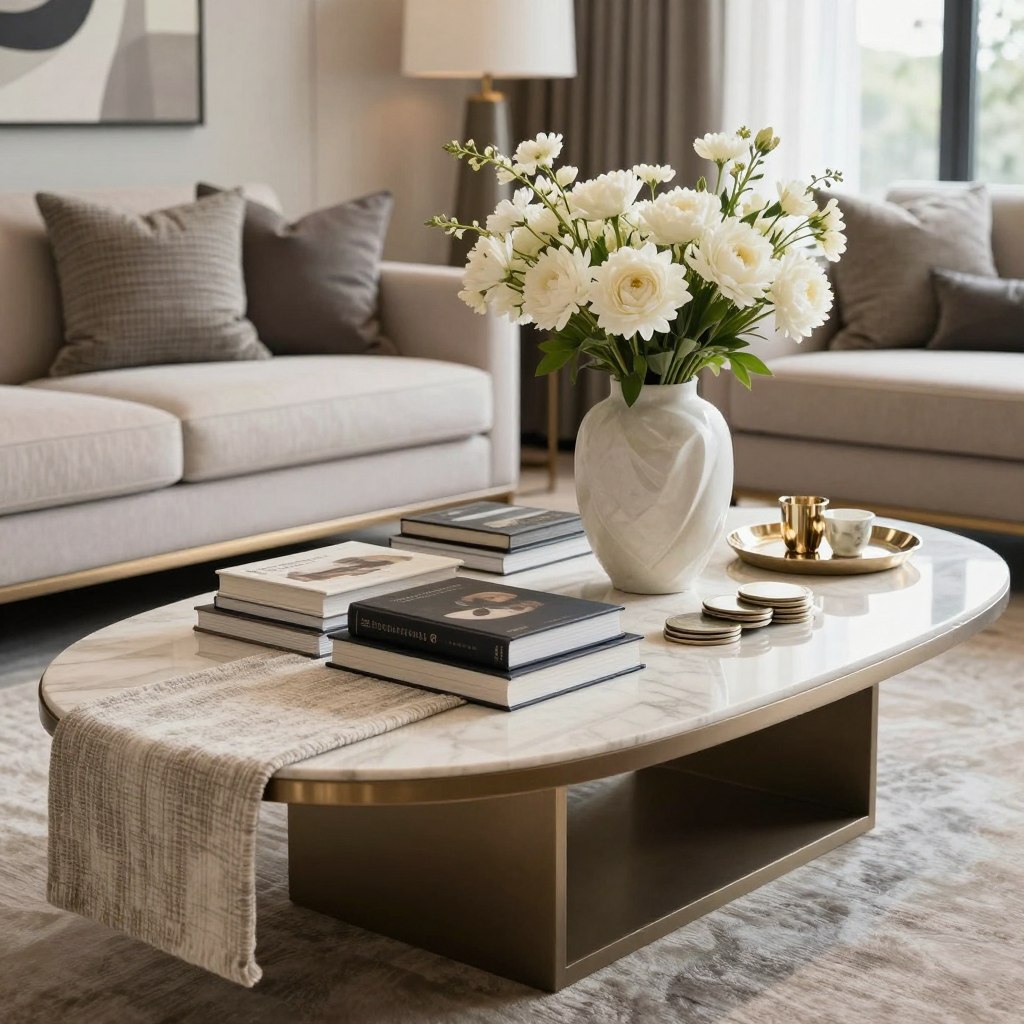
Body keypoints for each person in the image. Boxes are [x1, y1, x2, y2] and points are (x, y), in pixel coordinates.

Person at [287, 553, 413, 582]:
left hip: (357, 568)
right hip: (355, 567)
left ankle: (310, 577)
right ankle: (309, 576)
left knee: (335, 572)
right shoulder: (383, 559)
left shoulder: (388, 562)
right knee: (334, 571)